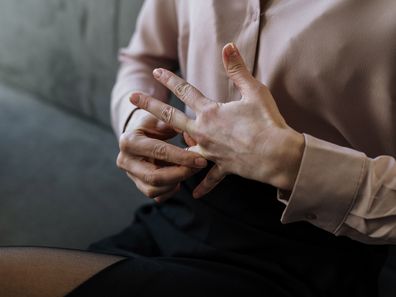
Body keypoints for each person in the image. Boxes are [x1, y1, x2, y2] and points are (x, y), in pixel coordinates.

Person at [1, 0, 395, 296]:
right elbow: (144, 59)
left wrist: (293, 164)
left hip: (319, 252)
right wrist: (136, 125)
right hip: (183, 211)